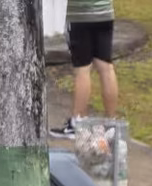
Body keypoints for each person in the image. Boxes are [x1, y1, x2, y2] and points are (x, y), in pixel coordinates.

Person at [49, 0, 119, 139]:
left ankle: (78, 122)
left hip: (80, 16)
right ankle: (111, 122)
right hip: (105, 13)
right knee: (106, 67)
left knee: (83, 69)